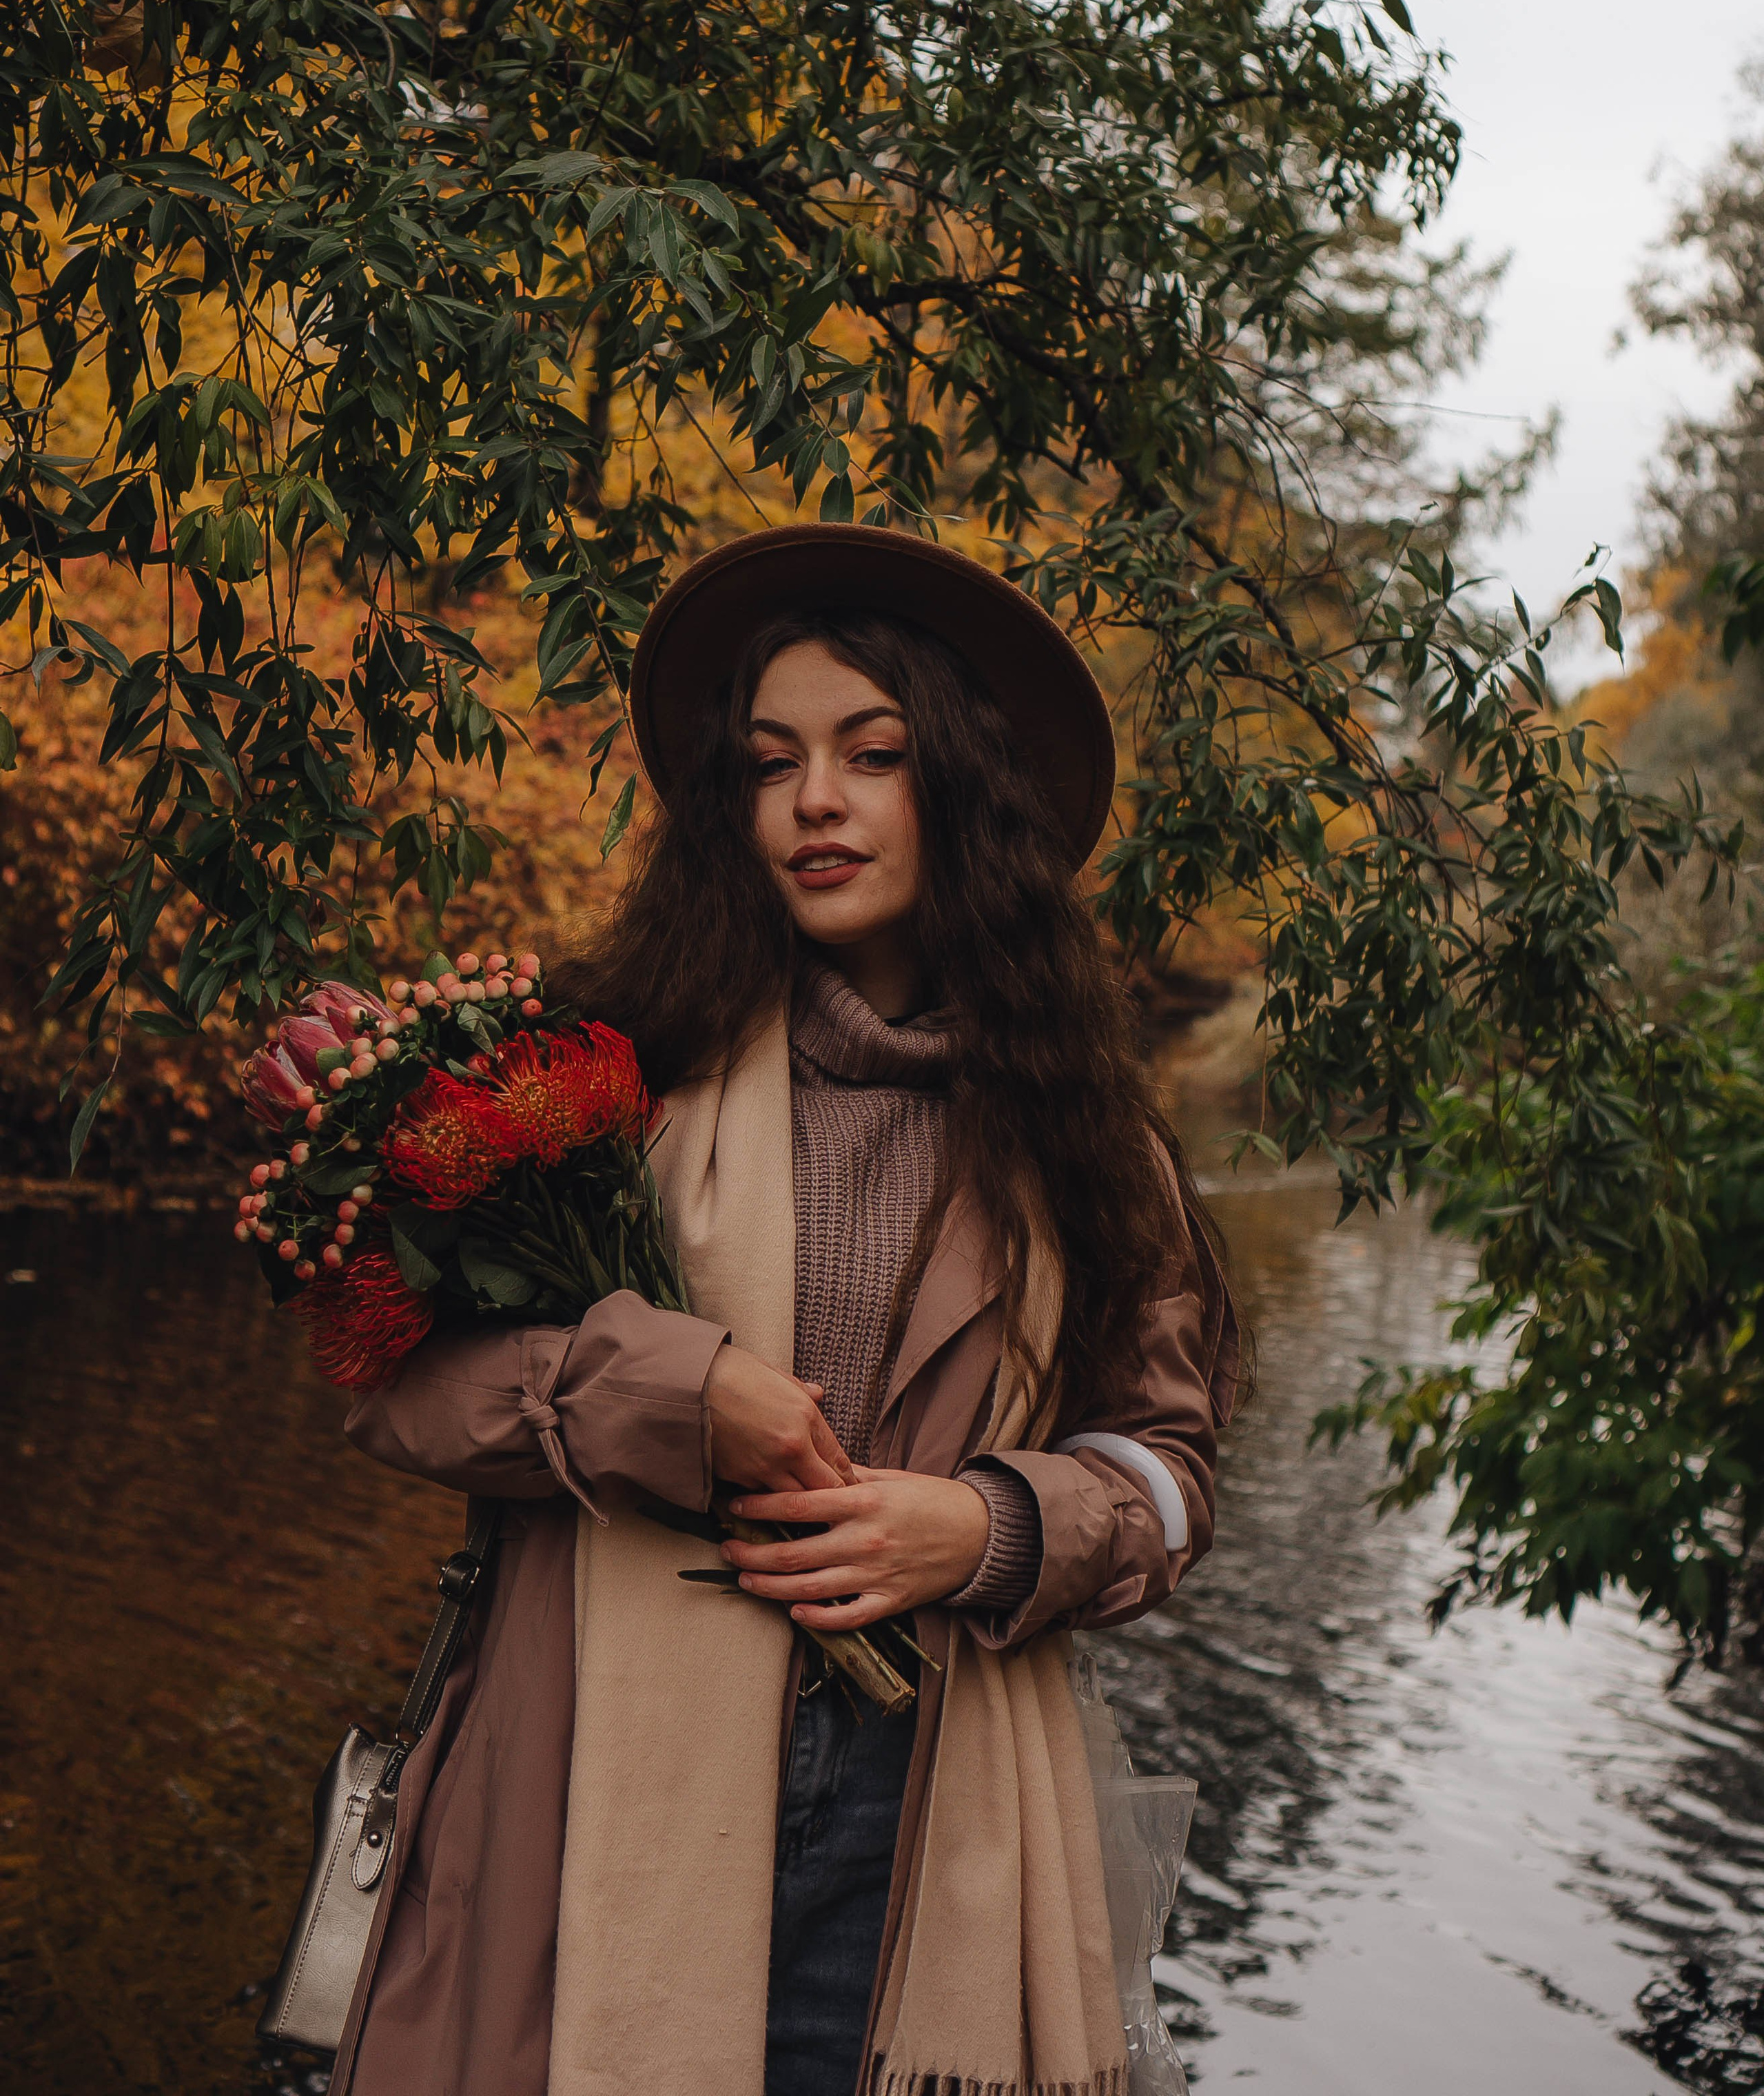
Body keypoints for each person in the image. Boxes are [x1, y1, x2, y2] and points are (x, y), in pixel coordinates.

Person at [333, 523, 1239, 2096]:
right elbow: (399, 1392)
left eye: (870, 753)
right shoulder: (610, 1073)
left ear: (956, 785)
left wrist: (994, 1528)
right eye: (770, 764)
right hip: (590, 1785)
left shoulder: (1088, 1140)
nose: (814, 800)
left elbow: (1165, 1469)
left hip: (915, 1825)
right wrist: (674, 1396)